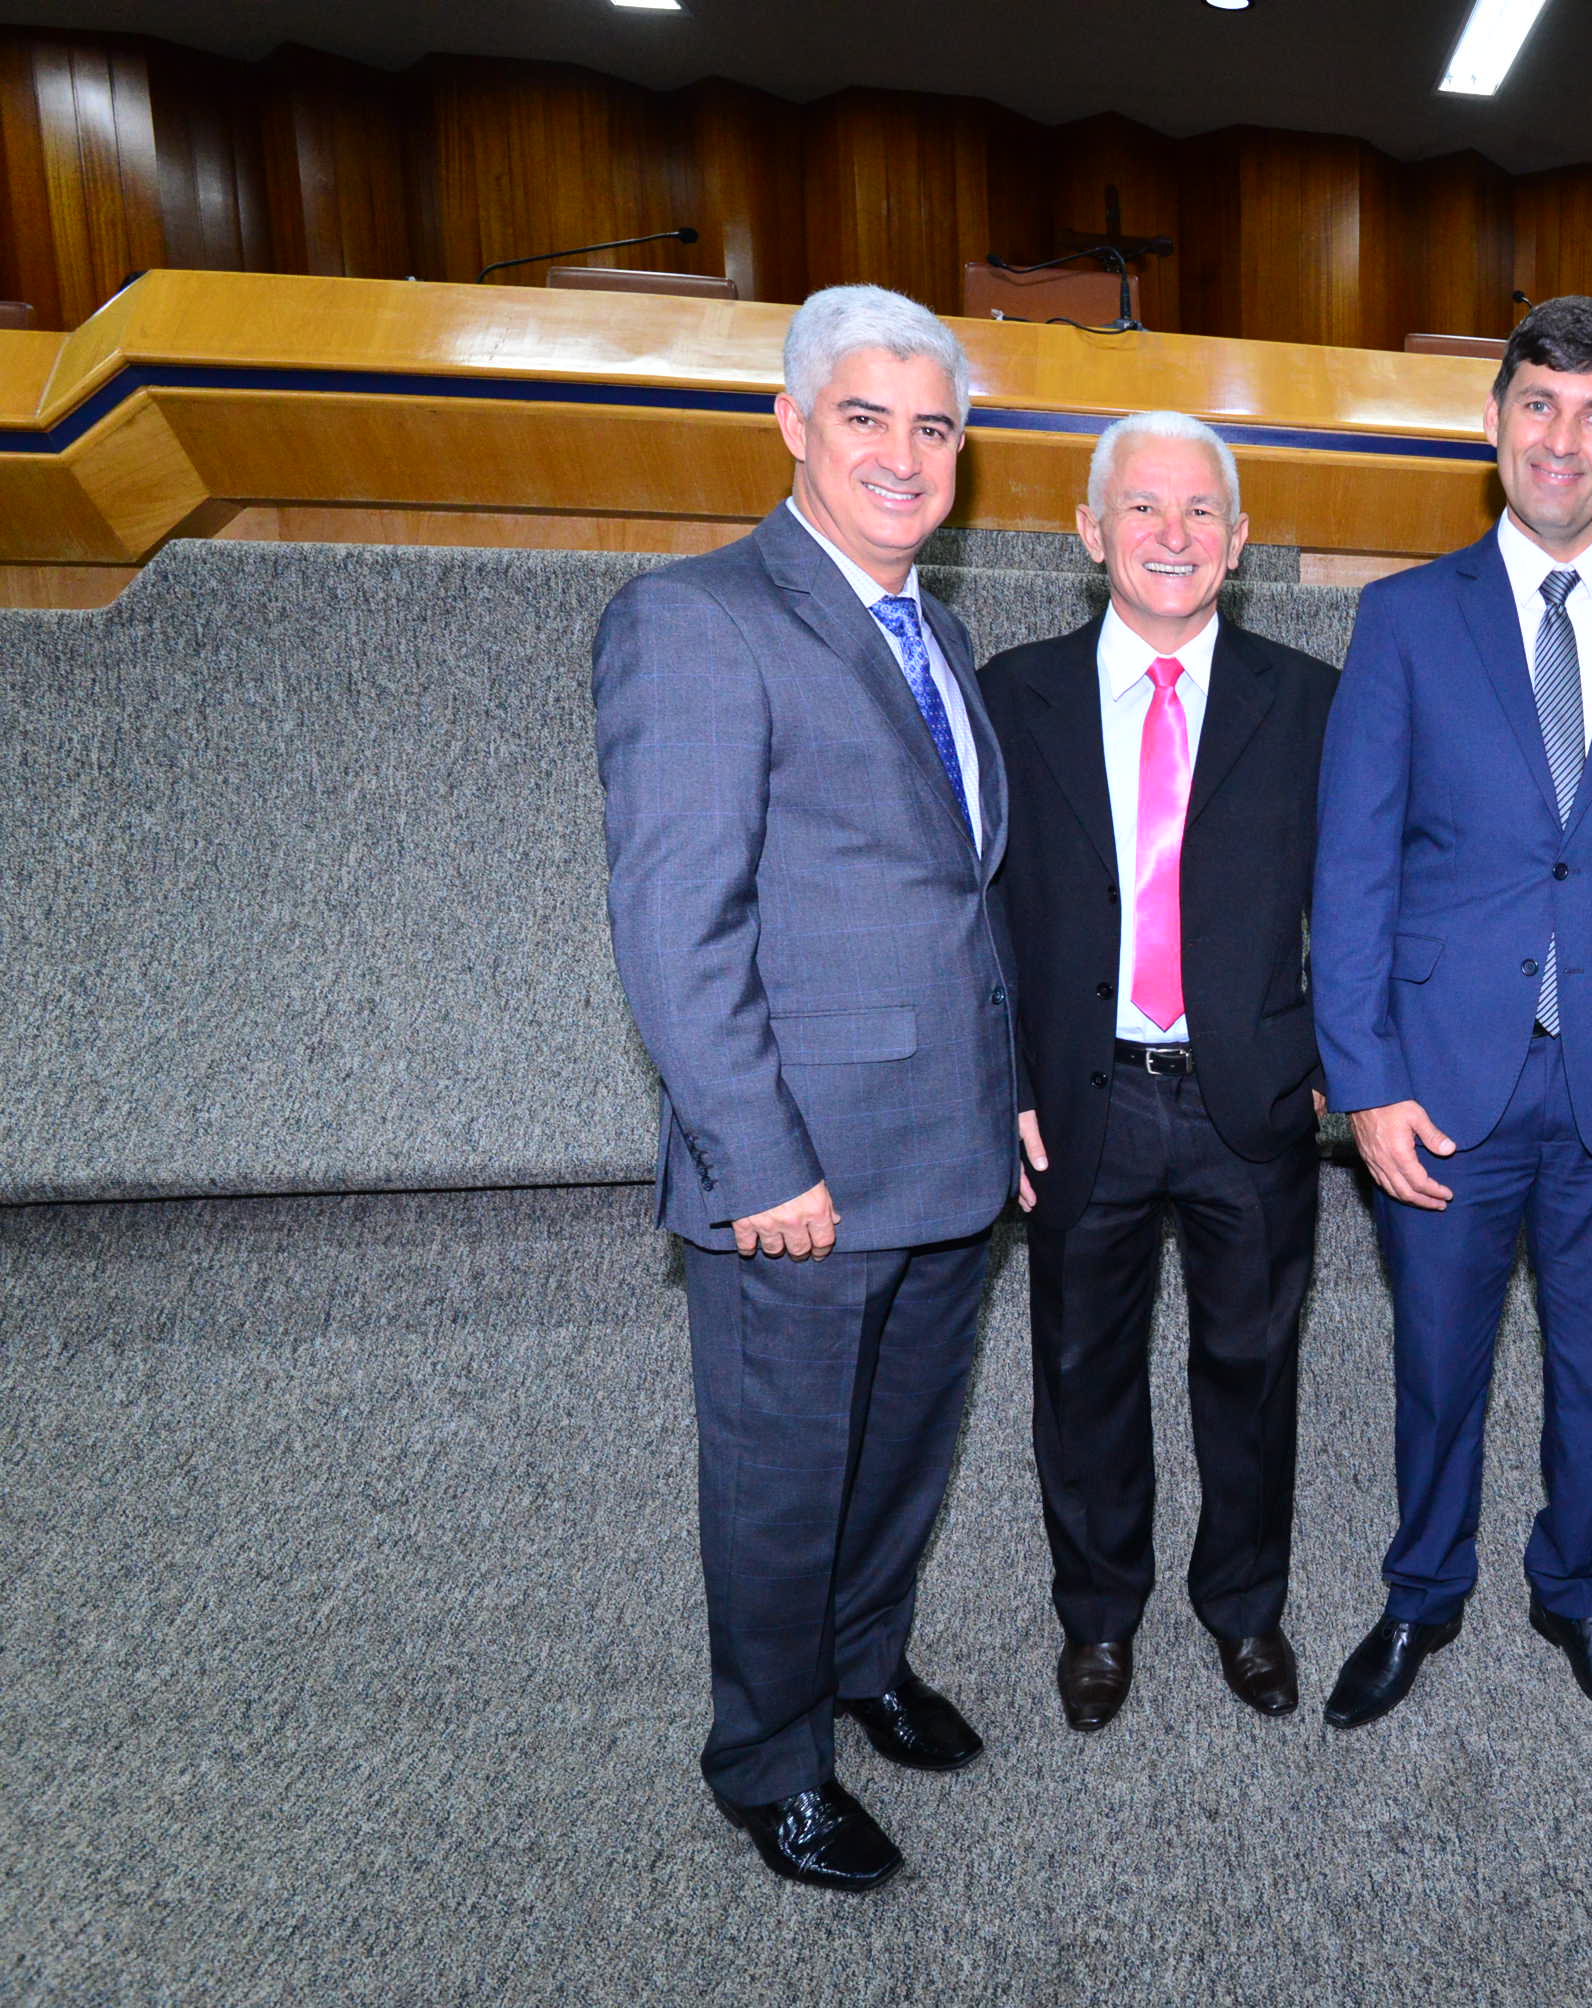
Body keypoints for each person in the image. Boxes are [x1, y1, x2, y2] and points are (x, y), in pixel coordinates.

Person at [592, 284, 1016, 1893]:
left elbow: (962, 899)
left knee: (901, 1452)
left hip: (947, 1146)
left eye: (936, 426)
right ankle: (767, 1763)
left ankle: (862, 1662)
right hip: (798, 1174)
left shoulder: (938, 631)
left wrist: (1008, 1093)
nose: (905, 456)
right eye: (865, 417)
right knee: (781, 1482)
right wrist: (756, 1159)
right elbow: (675, 929)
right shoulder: (696, 620)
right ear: (790, 423)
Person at [1311, 295, 1592, 1729]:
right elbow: (1354, 869)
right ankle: (1421, 1593)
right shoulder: (1402, 618)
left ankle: (1578, 1589)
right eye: (1540, 407)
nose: (1565, 440)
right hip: (1443, 1075)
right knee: (1437, 1366)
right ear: (1493, 419)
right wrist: (1365, 1080)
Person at [979, 412, 1338, 1733]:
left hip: (1253, 1100)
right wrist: (1007, 1079)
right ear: (1091, 532)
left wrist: (1328, 1057)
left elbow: (1365, 899)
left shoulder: (1311, 701)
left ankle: (1244, 1605)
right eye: (1142, 507)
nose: (1172, 535)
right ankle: (1098, 1613)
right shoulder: (1012, 695)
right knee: (1082, 1370)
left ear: (1240, 543)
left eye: (1200, 513)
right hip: (1085, 1097)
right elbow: (982, 908)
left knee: (1251, 1367)